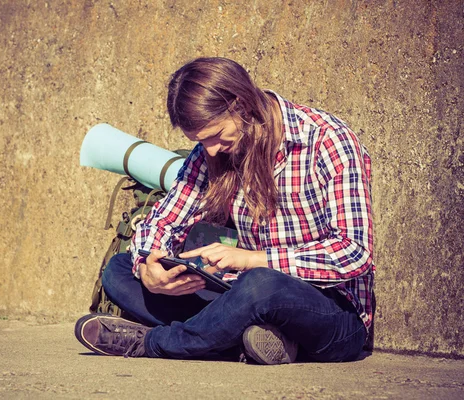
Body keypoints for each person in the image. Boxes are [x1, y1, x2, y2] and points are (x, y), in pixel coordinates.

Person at [75, 57, 375, 364]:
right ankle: (252, 341)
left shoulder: (329, 141)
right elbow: (164, 220)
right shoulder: (212, 153)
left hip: (333, 313)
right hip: (243, 296)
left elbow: (353, 253)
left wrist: (252, 260)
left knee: (261, 283)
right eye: (201, 141)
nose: (210, 150)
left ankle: (154, 343)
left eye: (216, 136)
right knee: (119, 270)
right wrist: (149, 268)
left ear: (242, 106)